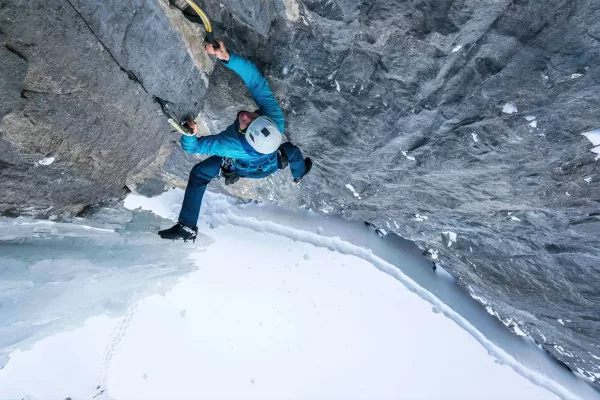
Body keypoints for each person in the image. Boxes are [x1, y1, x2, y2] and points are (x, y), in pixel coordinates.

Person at [159, 40, 312, 242]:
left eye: (246, 127)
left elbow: (195, 147)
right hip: (271, 163)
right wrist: (228, 58)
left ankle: (187, 226)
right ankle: (299, 174)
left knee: (199, 174)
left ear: (246, 138)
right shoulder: (274, 120)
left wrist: (189, 134)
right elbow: (256, 82)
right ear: (266, 121)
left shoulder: (231, 145)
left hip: (242, 164)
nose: (245, 117)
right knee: (291, 152)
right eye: (253, 119)